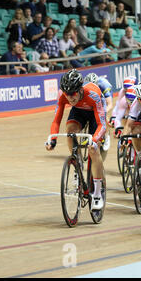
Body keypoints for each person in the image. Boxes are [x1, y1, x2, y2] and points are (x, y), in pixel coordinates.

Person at [46, 69, 106, 210]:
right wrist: (53, 139)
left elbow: (102, 124)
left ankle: (97, 193)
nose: (69, 97)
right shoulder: (63, 95)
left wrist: (95, 139)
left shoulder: (93, 94)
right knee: (70, 132)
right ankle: (77, 163)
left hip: (94, 115)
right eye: (67, 94)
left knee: (93, 149)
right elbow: (56, 121)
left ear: (80, 90)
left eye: (72, 93)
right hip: (79, 111)